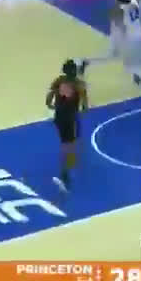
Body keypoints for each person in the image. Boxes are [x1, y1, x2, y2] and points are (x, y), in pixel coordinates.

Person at [45, 59, 88, 194]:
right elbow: (85, 106)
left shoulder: (59, 81)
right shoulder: (79, 85)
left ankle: (68, 165)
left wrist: (53, 106)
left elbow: (48, 99)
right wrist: (81, 110)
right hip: (69, 118)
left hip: (58, 117)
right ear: (74, 71)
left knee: (66, 142)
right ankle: (65, 172)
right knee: (68, 145)